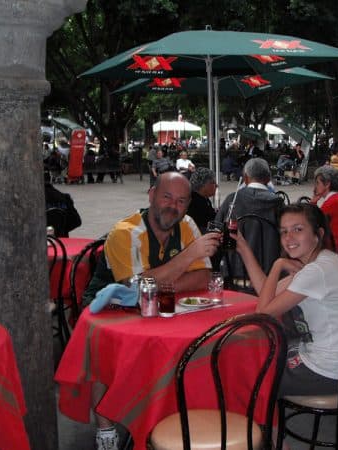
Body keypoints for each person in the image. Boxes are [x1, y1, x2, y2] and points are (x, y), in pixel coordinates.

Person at [83, 172, 221, 450]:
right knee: (106, 352)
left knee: (184, 345)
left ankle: (161, 412)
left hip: (161, 304)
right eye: (166, 197)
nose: (173, 206)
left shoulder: (188, 225)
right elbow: (133, 287)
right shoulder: (125, 232)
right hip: (110, 308)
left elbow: (203, 278)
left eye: (181, 201)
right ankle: (105, 428)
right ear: (151, 195)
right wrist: (187, 257)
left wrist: (159, 283)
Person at [235, 203, 338, 395]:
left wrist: (278, 265)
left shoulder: (317, 271)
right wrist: (245, 249)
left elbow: (263, 314)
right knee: (258, 352)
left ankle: (253, 423)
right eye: (284, 231)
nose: (288, 238)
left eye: (298, 229)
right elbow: (266, 291)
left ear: (318, 234)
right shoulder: (321, 260)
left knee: (246, 373)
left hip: (327, 371)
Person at [215, 158, 282, 285]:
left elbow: (216, 233)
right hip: (269, 279)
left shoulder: (232, 200)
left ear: (245, 179)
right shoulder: (278, 203)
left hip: (233, 276)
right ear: (268, 179)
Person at [310, 166, 338, 250]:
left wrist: (313, 202)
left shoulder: (332, 202)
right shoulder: (336, 198)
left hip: (335, 249)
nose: (315, 186)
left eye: (317, 183)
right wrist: (313, 201)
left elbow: (310, 221)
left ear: (327, 184)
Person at [44, 171, 82, 236]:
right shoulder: (64, 197)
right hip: (61, 241)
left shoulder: (31, 200)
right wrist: (61, 230)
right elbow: (76, 221)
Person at [186, 167, 217, 233]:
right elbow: (208, 224)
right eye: (213, 183)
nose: (216, 185)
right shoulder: (195, 203)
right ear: (203, 185)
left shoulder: (202, 198)